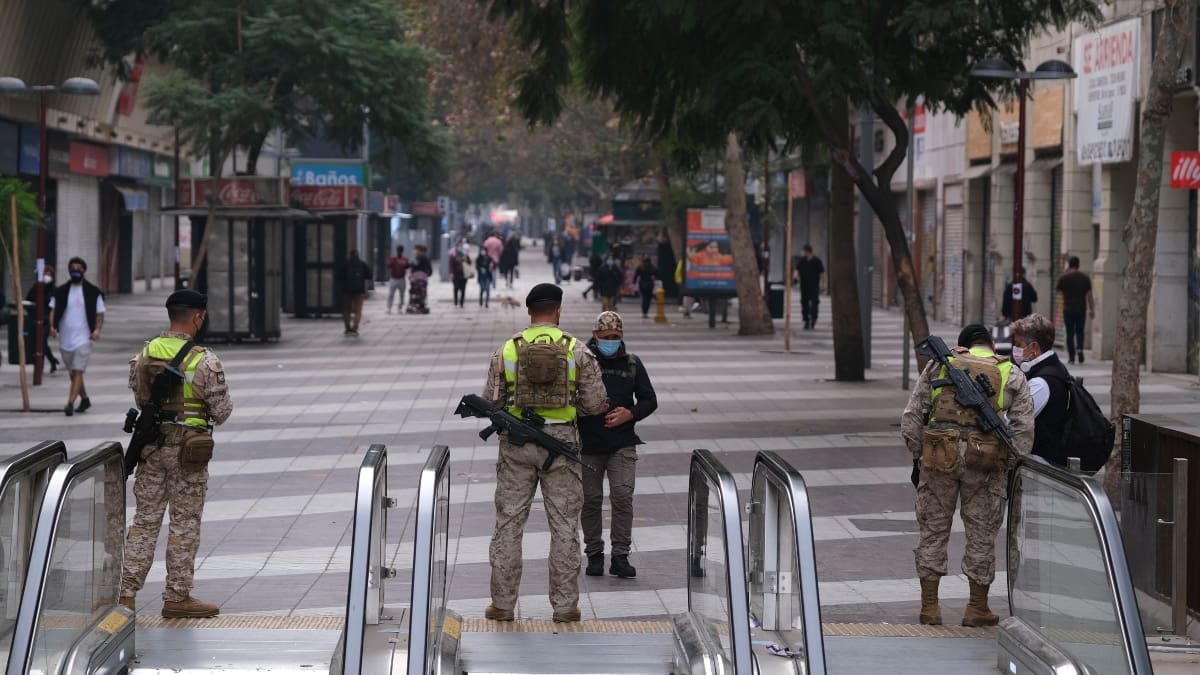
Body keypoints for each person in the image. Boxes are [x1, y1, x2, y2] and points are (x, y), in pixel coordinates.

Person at [480, 283, 608, 623]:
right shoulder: (577, 350)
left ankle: (502, 605)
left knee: (509, 523)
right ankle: (565, 607)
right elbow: (595, 403)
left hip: (516, 446)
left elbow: (491, 401)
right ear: (559, 310)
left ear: (528, 311)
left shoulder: (507, 350)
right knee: (564, 526)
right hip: (562, 444)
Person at [900, 323, 1034, 628]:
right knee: (981, 533)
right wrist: (1012, 465)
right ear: (991, 345)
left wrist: (919, 454)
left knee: (933, 530)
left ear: (963, 345)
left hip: (939, 457)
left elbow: (912, 415)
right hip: (985, 463)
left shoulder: (939, 365)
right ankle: (976, 608)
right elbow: (1024, 430)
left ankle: (930, 607)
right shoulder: (1011, 372)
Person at [120, 289, 234, 618]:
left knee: (144, 521)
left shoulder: (144, 355)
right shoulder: (205, 360)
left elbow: (141, 398)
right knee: (184, 523)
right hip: (188, 453)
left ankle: (126, 594)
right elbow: (222, 412)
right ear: (197, 317)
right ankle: (176, 596)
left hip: (151, 448)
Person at [578, 311, 658, 579]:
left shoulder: (632, 363)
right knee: (590, 500)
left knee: (622, 497)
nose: (610, 341)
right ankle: (594, 554)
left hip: (622, 443)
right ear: (595, 335)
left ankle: (620, 556)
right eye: (606, 336)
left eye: (615, 336)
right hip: (588, 445)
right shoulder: (581, 361)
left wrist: (630, 413)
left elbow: (649, 400)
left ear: (622, 336)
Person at [1010, 314, 1071, 467]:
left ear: (1034, 348)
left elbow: (1012, 420)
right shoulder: (1054, 368)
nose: (1015, 350)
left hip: (1042, 465)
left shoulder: (1042, 383)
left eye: (1018, 344)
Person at [49, 257, 105, 416]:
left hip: (84, 338)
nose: (75, 271)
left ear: (84, 270)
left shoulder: (93, 292)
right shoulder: (60, 291)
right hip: (65, 339)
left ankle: (70, 404)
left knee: (78, 370)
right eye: (72, 268)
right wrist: (52, 327)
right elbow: (53, 310)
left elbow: (100, 313)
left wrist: (97, 330)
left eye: (78, 268)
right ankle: (85, 399)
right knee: (73, 373)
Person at [1055, 256, 1094, 364]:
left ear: (1069, 265)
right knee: (1080, 331)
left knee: (1070, 333)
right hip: (1081, 309)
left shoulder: (1064, 277)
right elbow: (1089, 295)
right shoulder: (1084, 278)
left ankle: (1071, 356)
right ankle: (1080, 349)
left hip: (1068, 309)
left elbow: (1057, 290)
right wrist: (1092, 309)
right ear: (1078, 265)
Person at [25, 266, 60, 374]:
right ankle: (52, 361)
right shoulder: (37, 286)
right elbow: (29, 298)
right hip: (37, 318)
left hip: (48, 320)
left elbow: (55, 305)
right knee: (40, 342)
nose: (47, 276)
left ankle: (40, 366)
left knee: (41, 342)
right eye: (45, 274)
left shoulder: (54, 289)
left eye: (49, 275)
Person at [793, 245, 825, 330]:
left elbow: (822, 273)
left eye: (805, 252)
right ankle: (806, 320)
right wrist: (795, 277)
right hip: (804, 286)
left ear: (809, 252)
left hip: (814, 286)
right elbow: (797, 269)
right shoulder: (802, 261)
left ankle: (813, 318)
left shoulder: (817, 261)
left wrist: (823, 284)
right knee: (804, 303)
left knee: (814, 302)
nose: (804, 253)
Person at [341, 250, 372, 336]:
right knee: (358, 311)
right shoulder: (362, 264)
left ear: (350, 255)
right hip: (359, 291)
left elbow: (339, 276)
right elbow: (369, 275)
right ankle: (354, 328)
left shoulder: (346, 264)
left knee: (347, 310)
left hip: (347, 291)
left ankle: (347, 328)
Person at [406, 245, 432, 314]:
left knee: (415, 292)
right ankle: (420, 307)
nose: (415, 251)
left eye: (416, 250)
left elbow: (411, 266)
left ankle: (415, 306)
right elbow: (429, 268)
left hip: (417, 278)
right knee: (421, 293)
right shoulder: (424, 258)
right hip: (422, 278)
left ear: (420, 250)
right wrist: (428, 274)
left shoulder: (417, 258)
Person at [385, 246, 410, 314]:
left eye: (400, 251)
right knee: (391, 294)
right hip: (394, 278)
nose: (399, 252)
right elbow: (388, 265)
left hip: (401, 278)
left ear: (402, 251)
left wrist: (404, 264)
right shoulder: (393, 258)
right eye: (398, 251)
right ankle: (389, 308)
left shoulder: (405, 259)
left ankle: (399, 308)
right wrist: (393, 261)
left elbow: (407, 266)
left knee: (401, 294)